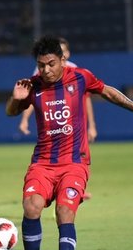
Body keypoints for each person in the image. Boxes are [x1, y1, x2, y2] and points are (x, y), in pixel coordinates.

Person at [6, 35, 133, 250]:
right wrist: (16, 98)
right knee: (31, 207)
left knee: (64, 212)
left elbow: (109, 93)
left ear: (63, 60)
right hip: (43, 163)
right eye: (41, 65)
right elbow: (12, 111)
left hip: (74, 163)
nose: (46, 70)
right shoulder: (34, 85)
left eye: (51, 64)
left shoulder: (80, 77)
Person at [19, 37, 96, 200]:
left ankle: (71, 189)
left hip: (75, 126)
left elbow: (87, 98)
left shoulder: (76, 72)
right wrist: (24, 119)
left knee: (78, 158)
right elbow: (33, 98)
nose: (46, 69)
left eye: (65, 50)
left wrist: (92, 126)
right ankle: (57, 189)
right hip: (52, 132)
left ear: (66, 55)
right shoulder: (41, 73)